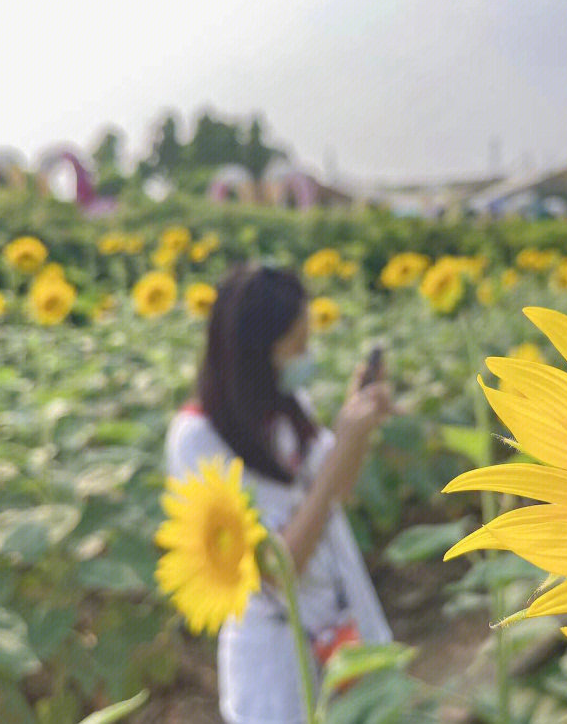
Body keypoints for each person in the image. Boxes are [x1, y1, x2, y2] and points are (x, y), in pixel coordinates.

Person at [164, 263, 394, 724]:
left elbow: (339, 491)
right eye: (297, 346)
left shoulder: (287, 407)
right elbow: (277, 570)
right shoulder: (198, 437)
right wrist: (342, 447)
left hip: (345, 627)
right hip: (279, 657)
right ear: (255, 353)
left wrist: (358, 425)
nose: (306, 357)